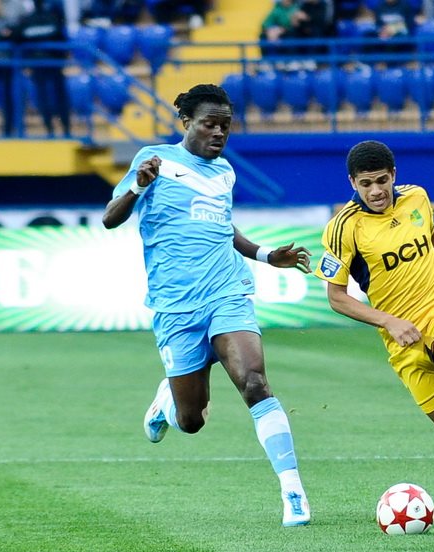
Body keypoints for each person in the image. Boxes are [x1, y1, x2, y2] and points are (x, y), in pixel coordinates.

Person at [102, 84, 312, 527]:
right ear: (186, 122)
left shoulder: (225, 173)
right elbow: (110, 218)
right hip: (176, 307)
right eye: (209, 124)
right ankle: (166, 401)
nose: (219, 133)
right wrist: (139, 186)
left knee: (255, 382)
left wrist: (265, 255)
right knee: (191, 420)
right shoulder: (154, 160)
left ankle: (292, 491)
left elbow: (223, 228)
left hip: (226, 293)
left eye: (226, 126)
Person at [314, 140, 434, 524]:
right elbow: (336, 297)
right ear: (352, 182)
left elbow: (431, 238)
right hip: (401, 337)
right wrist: (388, 321)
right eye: (366, 184)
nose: (376, 191)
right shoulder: (343, 228)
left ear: (394, 175)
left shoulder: (417, 197)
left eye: (381, 181)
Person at [12, 0, 71, 138]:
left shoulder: (28, 20)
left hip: (42, 65)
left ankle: (53, 130)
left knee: (48, 98)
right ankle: (64, 130)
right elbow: (62, 39)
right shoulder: (52, 17)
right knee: (55, 98)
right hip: (50, 65)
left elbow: (16, 38)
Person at [0, 0, 15, 137]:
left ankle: (8, 130)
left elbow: (14, 34)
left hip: (5, 64)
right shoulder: (4, 24)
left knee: (6, 98)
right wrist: (0, 34)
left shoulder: (7, 21)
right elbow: (2, 33)